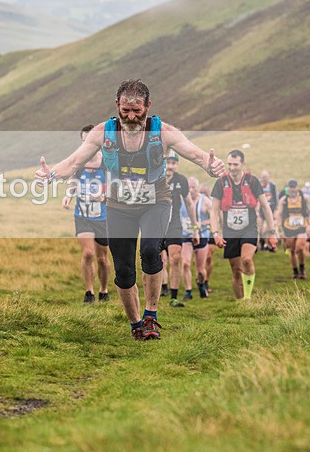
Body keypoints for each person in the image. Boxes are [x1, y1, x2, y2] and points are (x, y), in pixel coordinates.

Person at [36, 79, 224, 340]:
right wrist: (52, 174)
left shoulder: (164, 132)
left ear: (148, 106)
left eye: (137, 111)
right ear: (117, 106)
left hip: (155, 201)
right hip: (118, 205)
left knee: (149, 250)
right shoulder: (103, 132)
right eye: (126, 111)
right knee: (123, 269)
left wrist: (210, 165)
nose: (131, 117)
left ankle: (150, 316)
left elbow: (196, 154)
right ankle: (136, 324)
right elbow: (75, 161)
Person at [210, 150, 278, 300]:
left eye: (235, 164)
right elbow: (214, 211)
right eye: (229, 164)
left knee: (246, 259)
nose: (232, 167)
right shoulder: (221, 183)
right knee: (236, 270)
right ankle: (240, 302)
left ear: (243, 164)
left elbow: (266, 207)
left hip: (249, 228)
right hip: (230, 230)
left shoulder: (253, 181)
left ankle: (247, 298)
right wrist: (216, 233)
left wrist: (272, 232)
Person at [61, 125, 110, 304]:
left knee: (102, 259)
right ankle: (89, 293)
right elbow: (74, 182)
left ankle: (104, 290)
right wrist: (68, 196)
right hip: (82, 215)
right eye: (84, 142)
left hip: (103, 217)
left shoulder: (107, 163)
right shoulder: (79, 163)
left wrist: (104, 197)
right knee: (88, 254)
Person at [162, 151, 199, 307]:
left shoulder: (181, 180)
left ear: (177, 165)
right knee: (155, 260)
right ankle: (158, 290)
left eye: (173, 163)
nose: (170, 166)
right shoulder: (153, 177)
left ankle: (173, 297)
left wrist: (195, 228)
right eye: (167, 162)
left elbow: (189, 204)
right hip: (155, 224)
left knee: (175, 258)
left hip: (174, 224)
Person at [275, 179, 308, 279]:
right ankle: (296, 271)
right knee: (292, 250)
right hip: (288, 227)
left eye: (294, 187)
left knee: (300, 248)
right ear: (288, 188)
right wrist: (278, 227)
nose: (292, 189)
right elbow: (278, 213)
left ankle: (302, 268)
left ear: (297, 187)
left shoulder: (304, 198)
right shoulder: (284, 200)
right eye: (291, 187)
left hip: (302, 226)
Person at [187, 177, 212, 297]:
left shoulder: (206, 201)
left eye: (194, 187)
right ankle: (188, 291)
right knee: (185, 263)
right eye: (189, 187)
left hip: (202, 236)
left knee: (200, 270)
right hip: (186, 236)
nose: (191, 190)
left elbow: (214, 219)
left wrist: (201, 223)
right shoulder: (182, 200)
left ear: (197, 188)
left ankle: (201, 283)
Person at [200, 183, 217, 293]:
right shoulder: (195, 201)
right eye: (201, 193)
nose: (203, 195)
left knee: (209, 256)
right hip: (198, 232)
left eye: (205, 193)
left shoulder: (212, 203)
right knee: (201, 258)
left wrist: (203, 222)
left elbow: (215, 218)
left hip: (210, 231)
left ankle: (206, 281)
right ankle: (200, 278)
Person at [258, 170, 279, 252]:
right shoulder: (258, 185)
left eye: (265, 177)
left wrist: (275, 211)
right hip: (260, 210)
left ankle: (270, 245)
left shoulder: (272, 186)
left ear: (268, 177)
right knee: (259, 228)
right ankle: (261, 243)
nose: (264, 179)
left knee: (269, 228)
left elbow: (276, 199)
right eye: (263, 177)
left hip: (270, 210)